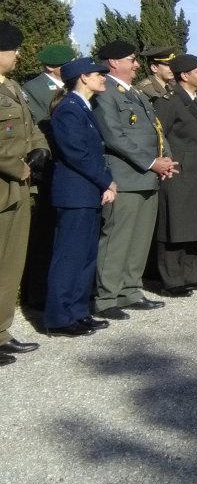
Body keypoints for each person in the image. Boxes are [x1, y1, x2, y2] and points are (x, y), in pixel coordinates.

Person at [91, 40, 177, 320]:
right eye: (131, 59)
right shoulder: (105, 92)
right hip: (125, 177)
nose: (137, 64)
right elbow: (114, 136)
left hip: (147, 176)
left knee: (139, 239)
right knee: (117, 239)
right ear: (114, 62)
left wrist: (165, 160)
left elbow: (156, 130)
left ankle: (130, 290)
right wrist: (152, 163)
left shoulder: (133, 92)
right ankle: (106, 297)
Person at [42, 57, 115, 338]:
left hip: (87, 191)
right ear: (83, 77)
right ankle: (59, 317)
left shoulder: (82, 107)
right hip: (74, 192)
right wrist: (106, 181)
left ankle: (78, 311)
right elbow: (77, 154)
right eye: (98, 74)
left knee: (85, 256)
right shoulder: (69, 109)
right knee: (69, 256)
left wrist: (103, 183)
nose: (103, 78)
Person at [0, 22, 51, 358]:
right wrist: (18, 167)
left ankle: (1, 331)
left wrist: (39, 149)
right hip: (6, 181)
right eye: (13, 49)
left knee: (10, 263)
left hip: (18, 187)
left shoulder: (13, 87)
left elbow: (31, 128)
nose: (18, 55)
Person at [153, 54, 197, 297]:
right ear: (184, 75)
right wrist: (165, 161)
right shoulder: (169, 102)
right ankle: (172, 280)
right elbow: (158, 136)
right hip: (180, 169)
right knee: (176, 225)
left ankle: (192, 274)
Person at [20, 42, 74, 310]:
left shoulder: (70, 87)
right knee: (45, 232)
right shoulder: (34, 89)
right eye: (66, 64)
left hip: (69, 166)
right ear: (53, 67)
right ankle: (37, 292)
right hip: (50, 165)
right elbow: (42, 125)